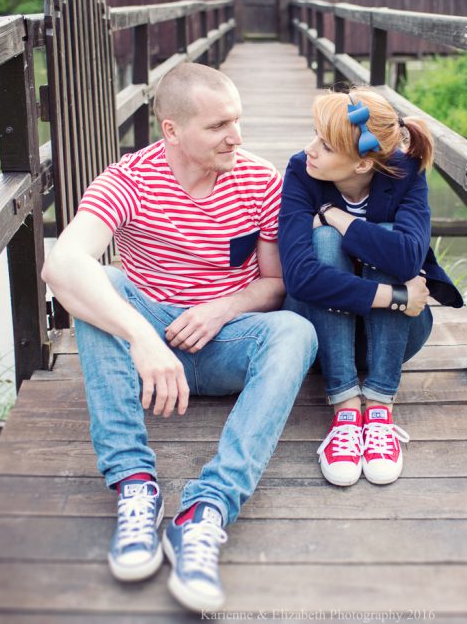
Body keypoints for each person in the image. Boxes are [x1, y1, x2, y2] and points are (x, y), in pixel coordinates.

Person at [40, 62, 317, 612]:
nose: (235, 136)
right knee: (101, 282)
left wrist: (223, 307)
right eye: (218, 126)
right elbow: (62, 263)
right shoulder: (128, 179)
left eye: (237, 121)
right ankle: (136, 483)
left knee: (297, 332)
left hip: (224, 341)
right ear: (171, 130)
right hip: (147, 341)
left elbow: (275, 284)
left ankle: (205, 511)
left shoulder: (260, 180)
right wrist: (142, 338)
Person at [279, 86, 464, 488]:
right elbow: (299, 276)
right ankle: (346, 410)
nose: (310, 149)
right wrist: (396, 297)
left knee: (380, 236)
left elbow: (407, 259)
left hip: (398, 336)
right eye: (315, 135)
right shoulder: (300, 171)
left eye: (325, 145)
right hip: (319, 334)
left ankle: (379, 408)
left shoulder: (405, 173)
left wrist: (336, 218)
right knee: (325, 244)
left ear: (363, 164)